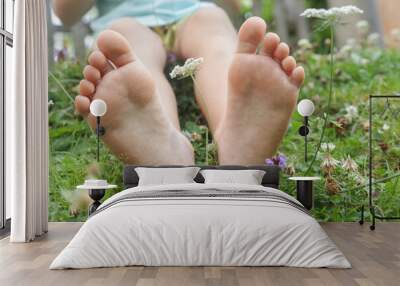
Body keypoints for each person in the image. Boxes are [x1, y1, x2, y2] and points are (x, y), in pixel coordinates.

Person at [52, 0, 305, 165]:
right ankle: (165, 149)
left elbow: (237, 5)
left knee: (214, 31)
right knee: (125, 45)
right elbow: (64, 13)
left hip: (192, 12)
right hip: (127, 19)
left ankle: (236, 135)